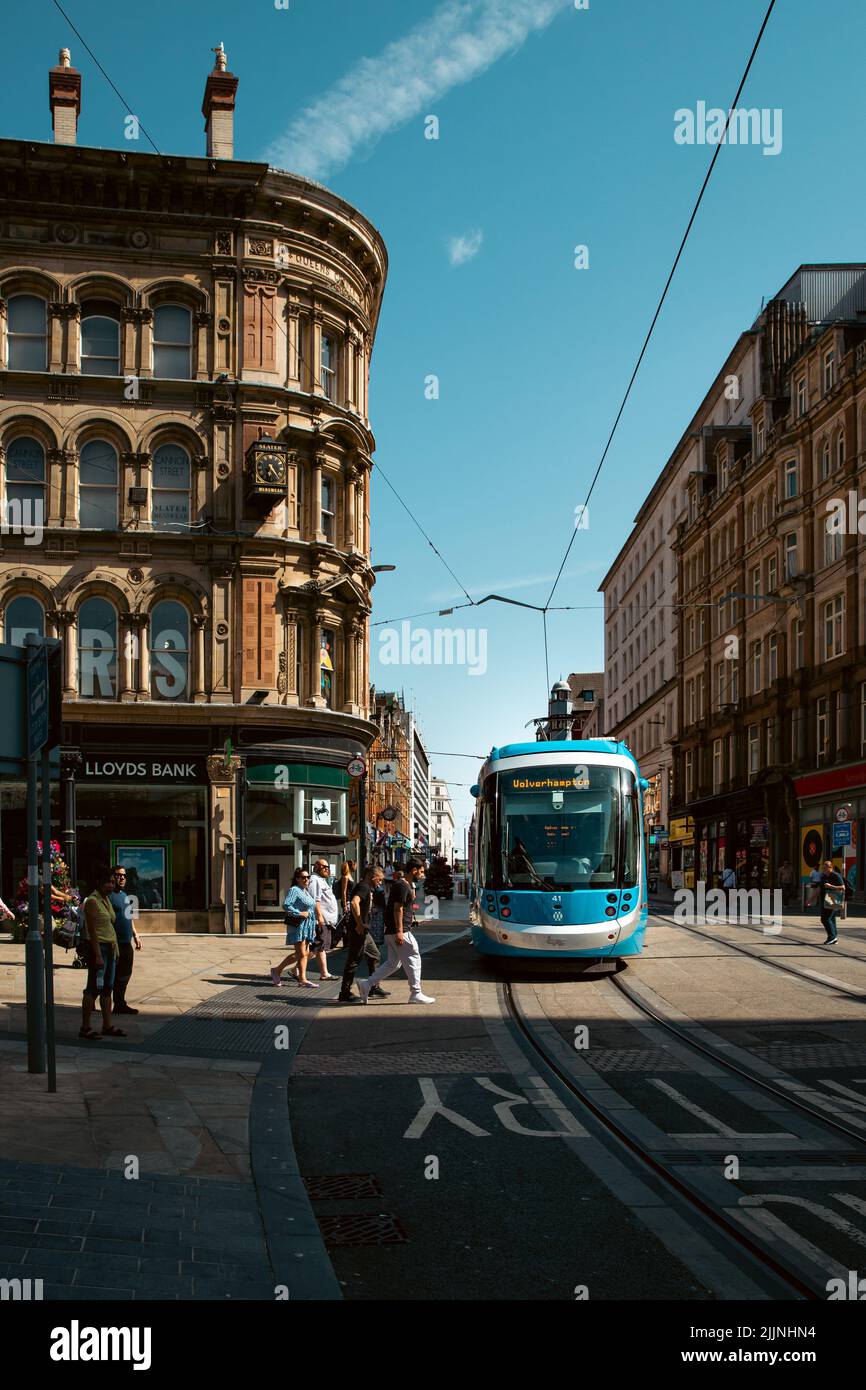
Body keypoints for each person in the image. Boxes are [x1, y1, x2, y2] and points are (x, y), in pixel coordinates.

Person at [360, 858, 436, 1005]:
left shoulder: (403, 884)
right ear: (413, 870)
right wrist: (400, 931)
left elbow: (404, 904)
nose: (422, 875)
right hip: (400, 931)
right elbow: (397, 908)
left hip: (392, 931)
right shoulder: (401, 886)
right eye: (420, 872)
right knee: (414, 958)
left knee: (393, 963)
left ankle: (367, 984)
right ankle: (416, 993)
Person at [80, 865, 124, 1040]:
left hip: (111, 948)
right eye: (109, 883)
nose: (112, 886)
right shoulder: (92, 901)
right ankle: (85, 1027)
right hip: (99, 949)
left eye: (113, 883)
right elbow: (92, 931)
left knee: (107, 989)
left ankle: (107, 1025)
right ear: (99, 882)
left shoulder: (106, 899)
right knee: (93, 988)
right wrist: (98, 955)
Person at [338, 865, 390, 1003]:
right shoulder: (364, 887)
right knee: (354, 961)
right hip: (358, 930)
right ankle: (345, 992)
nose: (380, 882)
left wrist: (368, 913)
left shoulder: (366, 887)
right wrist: (360, 923)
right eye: (379, 879)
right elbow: (354, 903)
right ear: (373, 877)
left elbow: (359, 905)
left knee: (375, 955)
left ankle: (373, 986)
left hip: (362, 931)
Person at [271, 869, 318, 988]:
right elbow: (286, 905)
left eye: (308, 877)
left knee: (305, 953)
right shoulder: (294, 890)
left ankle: (296, 976)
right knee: (301, 953)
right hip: (298, 926)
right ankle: (284, 972)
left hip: (307, 926)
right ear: (297, 879)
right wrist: (299, 913)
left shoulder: (305, 891)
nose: (306, 879)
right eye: (303, 877)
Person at [110, 865, 141, 1015]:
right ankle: (92, 1000)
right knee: (109, 975)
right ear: (112, 876)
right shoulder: (107, 895)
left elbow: (129, 918)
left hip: (126, 943)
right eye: (118, 875)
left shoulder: (125, 896)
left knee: (124, 974)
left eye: (124, 876)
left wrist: (135, 935)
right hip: (112, 944)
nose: (121, 878)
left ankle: (119, 1004)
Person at [307, 858, 339, 981]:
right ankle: (296, 968)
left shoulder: (321, 880)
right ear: (316, 867)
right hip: (322, 920)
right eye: (323, 867)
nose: (327, 869)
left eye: (327, 867)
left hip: (326, 920)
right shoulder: (315, 880)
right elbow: (315, 900)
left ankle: (324, 973)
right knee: (317, 946)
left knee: (320, 947)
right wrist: (319, 917)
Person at [819, 859, 845, 945]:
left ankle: (832, 937)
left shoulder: (835, 875)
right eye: (823, 868)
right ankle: (834, 937)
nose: (824, 869)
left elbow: (842, 887)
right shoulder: (823, 876)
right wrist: (810, 899)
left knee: (825, 919)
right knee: (831, 919)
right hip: (824, 900)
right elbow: (819, 888)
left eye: (826, 867)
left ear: (831, 867)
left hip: (832, 900)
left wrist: (831, 886)